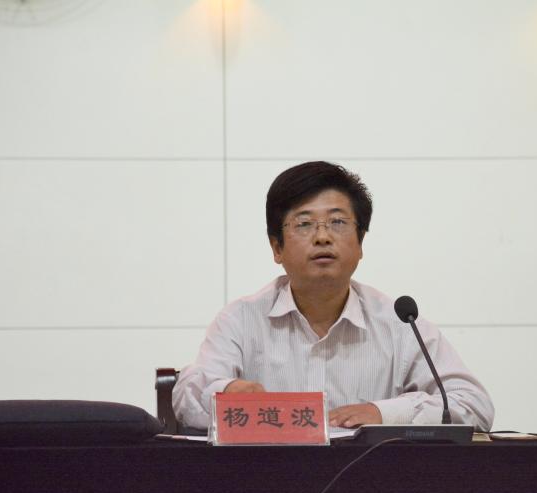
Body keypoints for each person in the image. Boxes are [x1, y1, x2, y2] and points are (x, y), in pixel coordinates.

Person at [173, 161, 494, 431]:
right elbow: (188, 396)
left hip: (372, 484)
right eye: (304, 224)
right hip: (270, 480)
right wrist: (228, 391)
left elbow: (472, 404)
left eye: (338, 222)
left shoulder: (399, 324)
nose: (323, 237)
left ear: (360, 243)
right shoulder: (241, 320)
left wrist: (384, 413)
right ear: (276, 248)